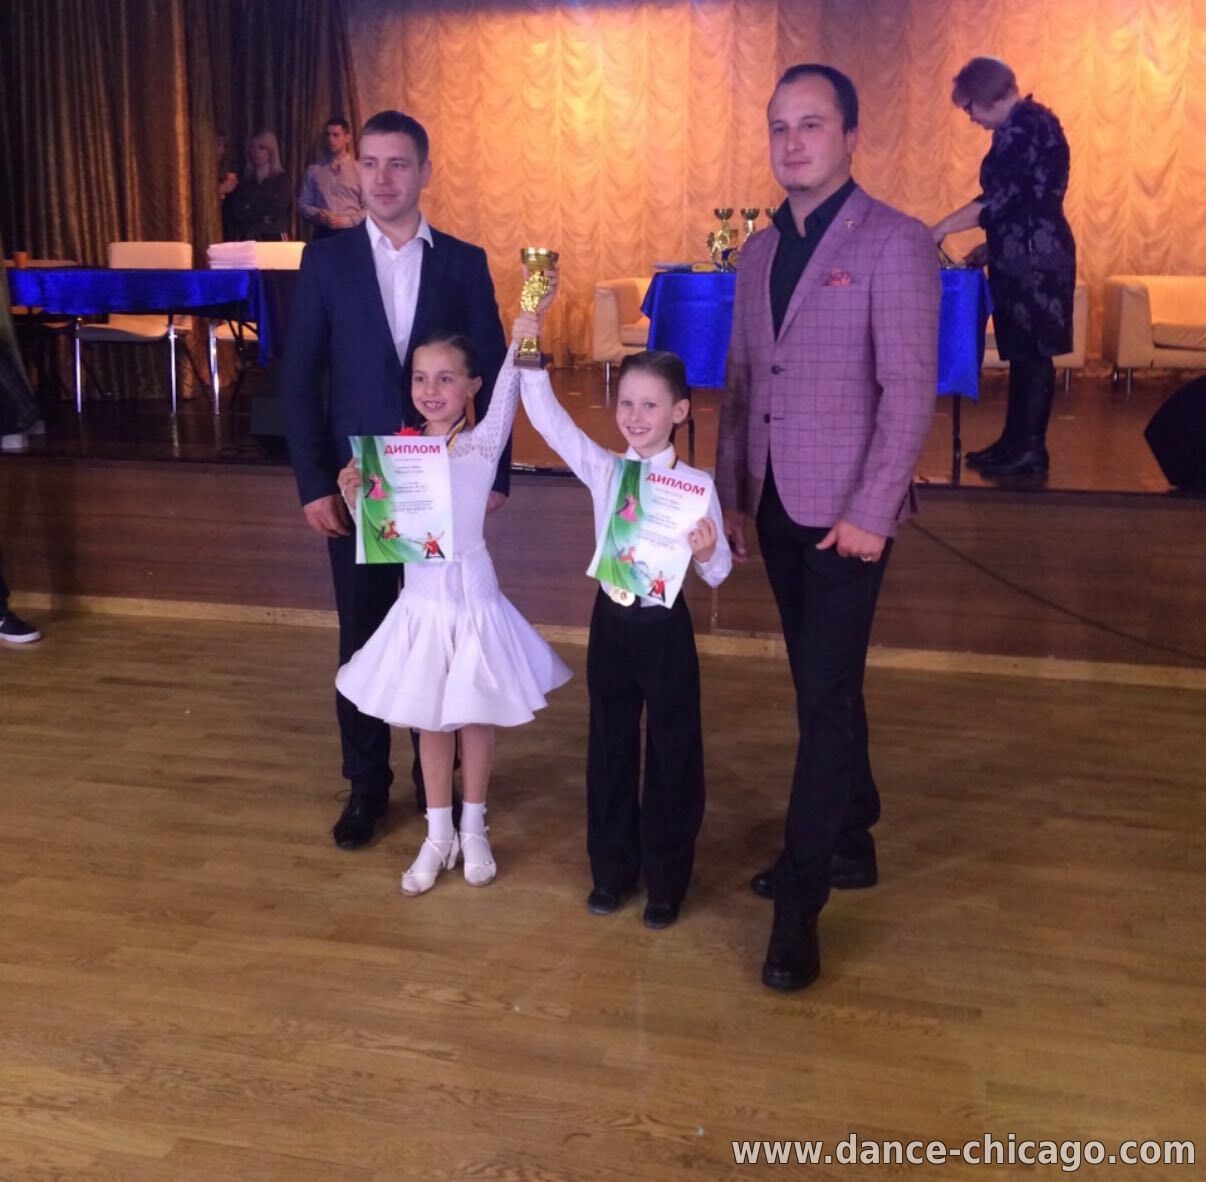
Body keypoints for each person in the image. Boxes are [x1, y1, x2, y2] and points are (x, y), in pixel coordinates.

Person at [716, 64, 939, 991]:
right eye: (780, 126)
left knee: (822, 696)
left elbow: (910, 390)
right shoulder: (761, 250)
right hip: (774, 503)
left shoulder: (895, 241)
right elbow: (742, 381)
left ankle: (800, 904)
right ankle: (852, 832)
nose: (793, 142)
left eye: (811, 124)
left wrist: (871, 512)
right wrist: (730, 496)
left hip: (849, 516)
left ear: (851, 135)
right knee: (823, 682)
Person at [281, 109, 509, 852]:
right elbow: (300, 377)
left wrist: (496, 475)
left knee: (438, 638)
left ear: (424, 172)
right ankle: (366, 787)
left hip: (444, 487)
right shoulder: (327, 262)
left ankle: (434, 790)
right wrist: (313, 482)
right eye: (371, 163)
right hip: (361, 488)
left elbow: (495, 371)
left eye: (398, 164)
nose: (382, 178)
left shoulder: (464, 262)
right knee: (365, 638)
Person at [336, 319, 571, 894]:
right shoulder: (398, 452)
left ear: (472, 385)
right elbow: (387, 534)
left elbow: (513, 379)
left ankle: (474, 825)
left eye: (446, 378)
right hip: (421, 601)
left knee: (474, 713)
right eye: (420, 378)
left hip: (472, 594)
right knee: (431, 716)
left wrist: (529, 322)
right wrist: (355, 493)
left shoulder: (483, 442)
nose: (431, 389)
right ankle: (437, 834)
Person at [521, 347, 731, 929]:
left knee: (673, 752)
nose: (635, 416)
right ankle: (611, 871)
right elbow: (554, 426)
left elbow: (718, 572)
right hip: (611, 623)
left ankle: (666, 880)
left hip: (665, 630)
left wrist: (707, 553)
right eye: (627, 403)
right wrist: (530, 360)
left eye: (650, 405)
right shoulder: (607, 470)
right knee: (610, 746)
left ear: (679, 412)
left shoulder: (697, 486)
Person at [931, 57, 1076, 478]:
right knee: (1023, 352)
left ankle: (1030, 447)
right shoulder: (1025, 125)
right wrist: (991, 247)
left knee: (1034, 352)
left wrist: (940, 228)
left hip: (1036, 256)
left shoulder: (1026, 127)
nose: (971, 116)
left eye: (969, 106)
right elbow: (1021, 201)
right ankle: (1015, 441)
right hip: (1024, 251)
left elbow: (1001, 199)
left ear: (986, 95)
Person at [297, 116, 365, 239]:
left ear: (347, 138)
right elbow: (303, 204)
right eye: (327, 135)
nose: (330, 139)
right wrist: (318, 214)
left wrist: (348, 220)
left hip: (352, 233)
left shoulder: (360, 171)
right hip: (323, 233)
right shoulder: (314, 170)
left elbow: (370, 209)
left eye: (336, 135)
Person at [226, 130, 292, 241]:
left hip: (274, 234)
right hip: (249, 235)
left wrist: (251, 207)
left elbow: (277, 208)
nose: (256, 152)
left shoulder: (281, 179)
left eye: (261, 148)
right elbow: (238, 210)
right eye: (252, 148)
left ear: (271, 151)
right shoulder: (244, 179)